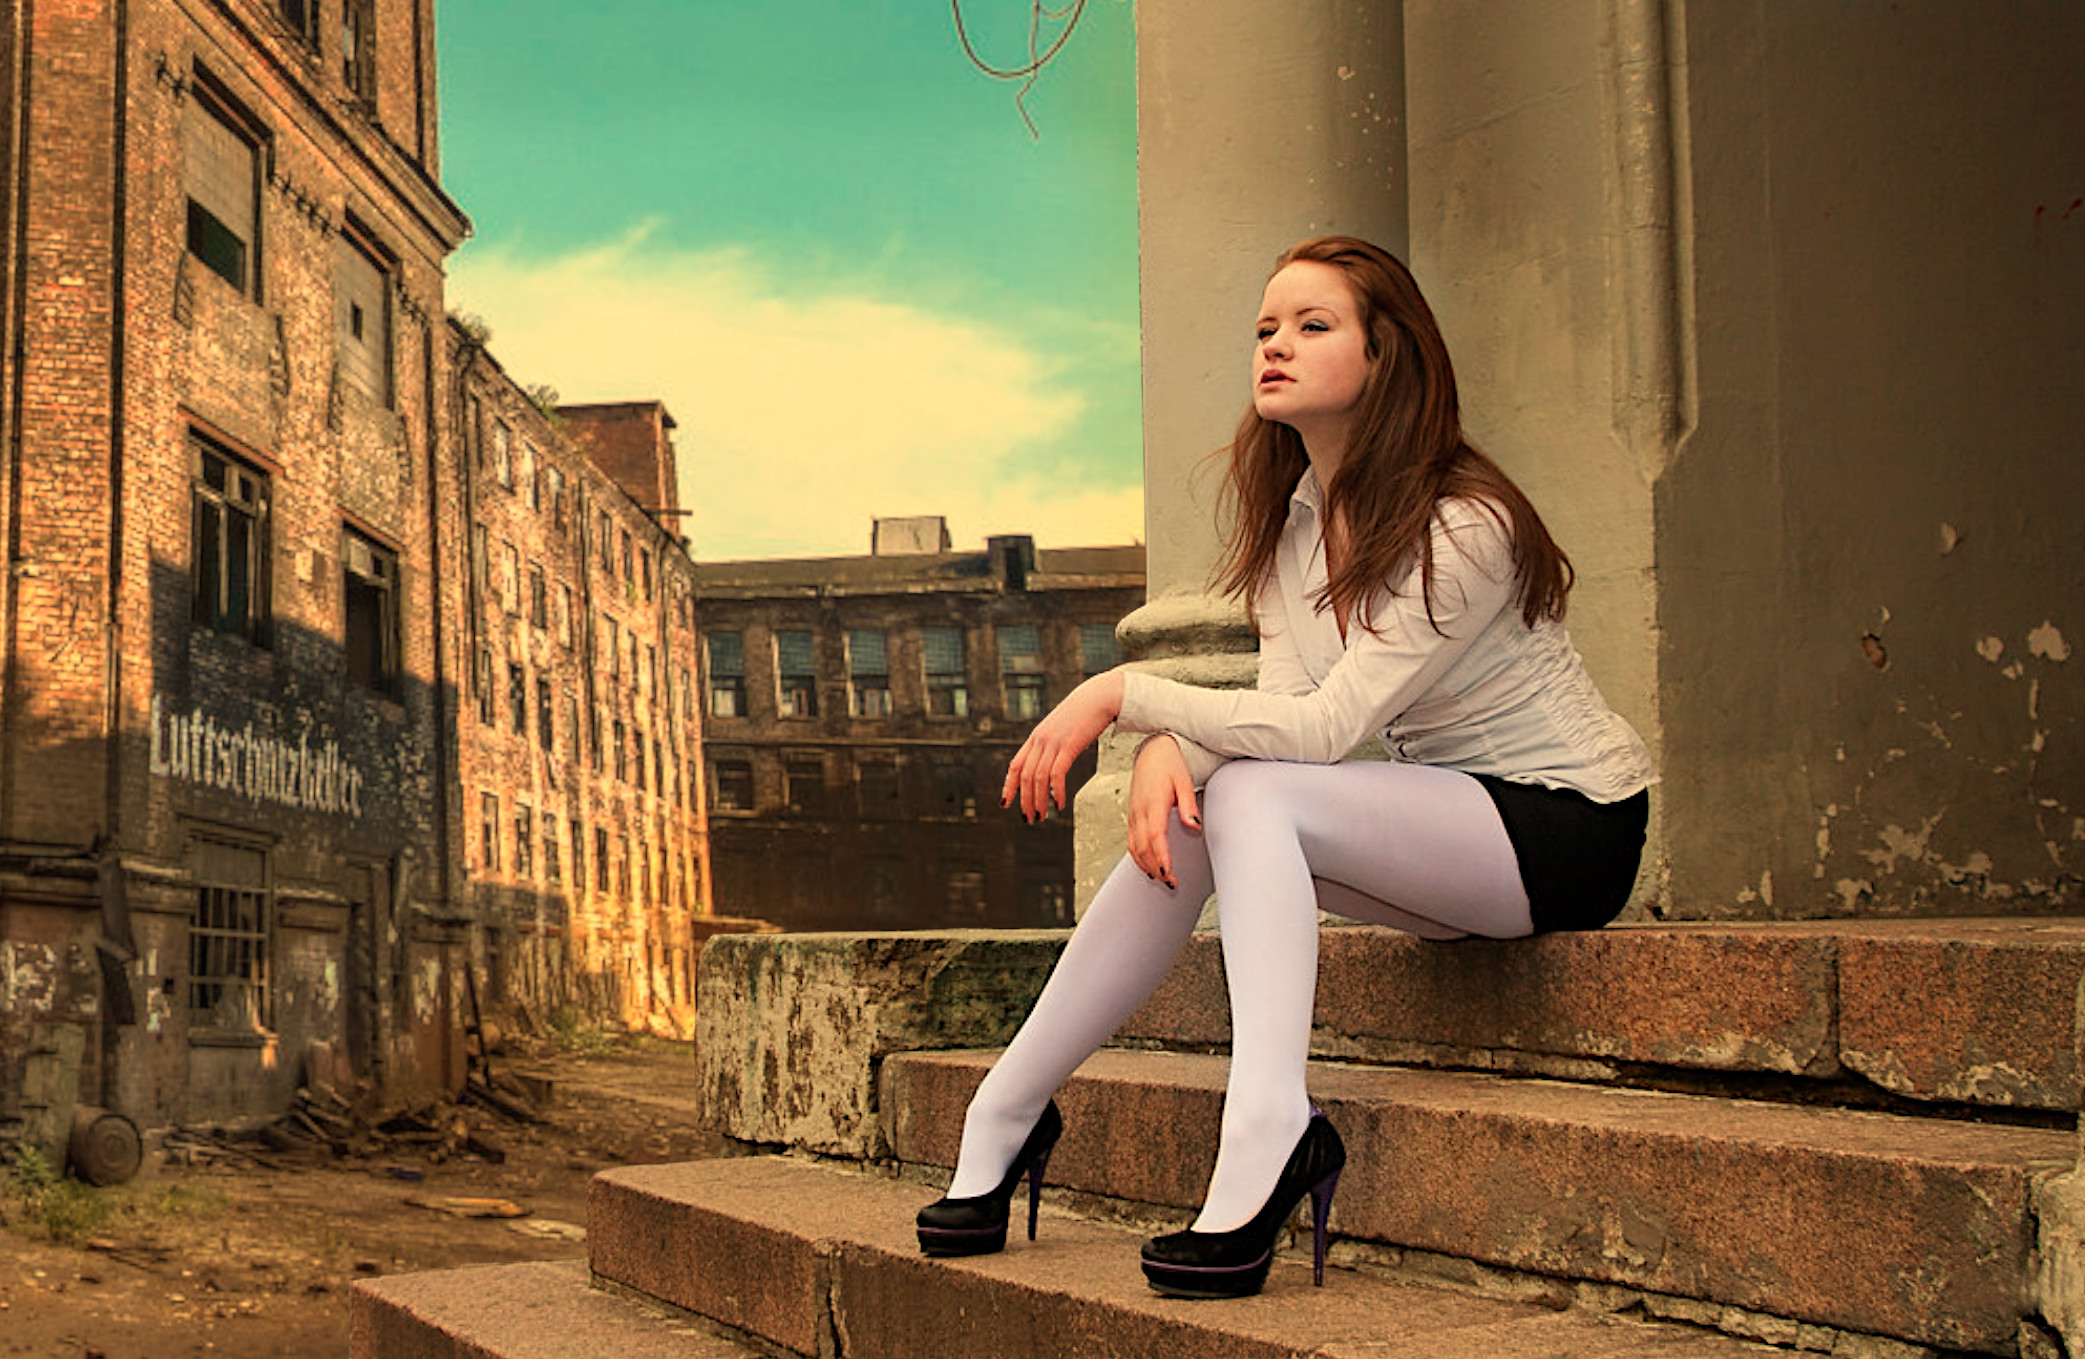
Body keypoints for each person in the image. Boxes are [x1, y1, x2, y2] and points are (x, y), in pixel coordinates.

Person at [914, 235, 1655, 1299]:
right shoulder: (1295, 526)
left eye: (1313, 326)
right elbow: (1284, 711)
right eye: (1266, 328)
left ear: (1387, 354)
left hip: (1567, 827)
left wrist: (1123, 697)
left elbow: (1331, 729)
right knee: (1196, 810)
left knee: (1247, 789)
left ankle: (1268, 1126)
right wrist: (1177, 744)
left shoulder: (1468, 523)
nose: (1276, 345)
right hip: (1448, 829)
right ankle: (1009, 1107)